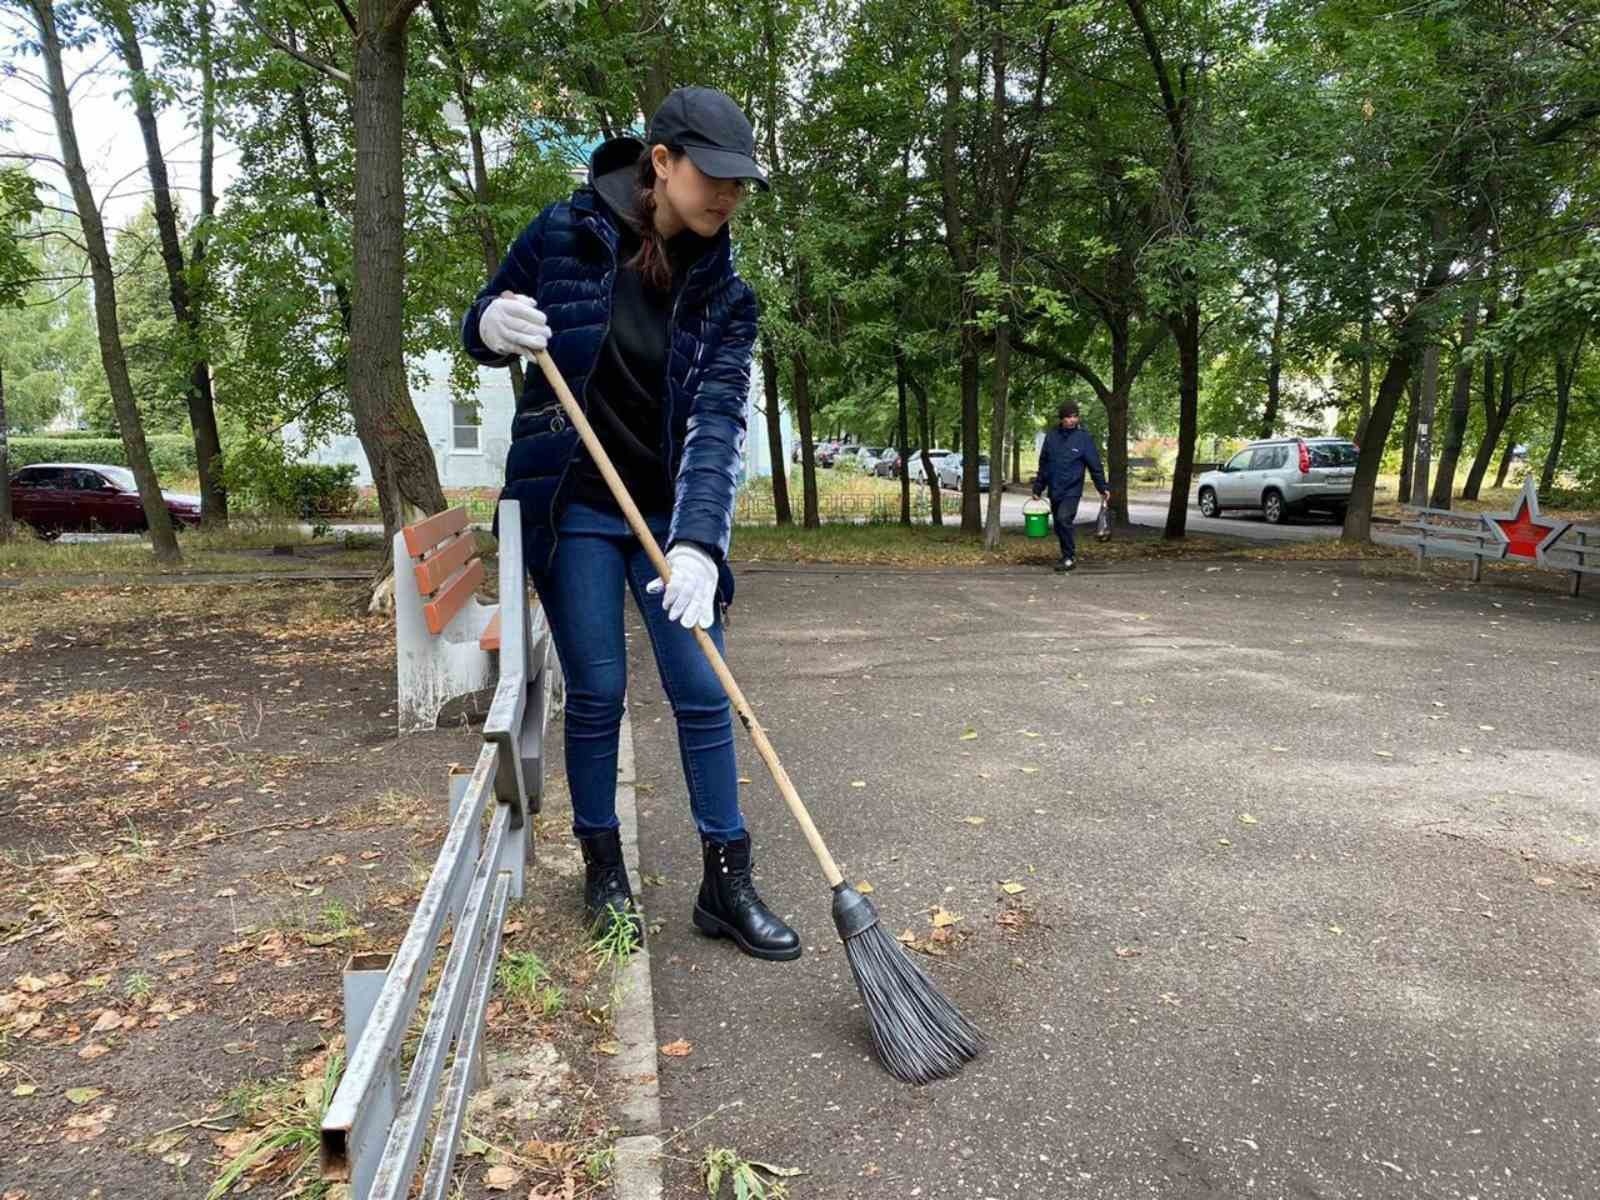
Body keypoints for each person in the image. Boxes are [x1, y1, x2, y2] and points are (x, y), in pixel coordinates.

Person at [459, 87, 800, 962]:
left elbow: (720, 424)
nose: (729, 195)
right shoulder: (565, 233)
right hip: (573, 508)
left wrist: (698, 544)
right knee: (599, 691)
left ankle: (726, 881)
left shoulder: (729, 297)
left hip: (666, 512)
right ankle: (603, 870)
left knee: (702, 687)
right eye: (713, 175)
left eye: (742, 183)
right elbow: (484, 318)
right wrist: (492, 325)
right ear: (662, 162)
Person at [1031, 402, 1110, 573]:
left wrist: (1102, 487)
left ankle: (1069, 557)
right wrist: (1038, 488)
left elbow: (1095, 465)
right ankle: (1065, 554)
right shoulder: (1051, 437)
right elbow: (1044, 464)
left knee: (1064, 519)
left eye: (1075, 416)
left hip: (1072, 489)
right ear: (1062, 418)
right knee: (1059, 525)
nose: (1072, 420)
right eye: (1068, 417)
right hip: (1055, 488)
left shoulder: (1083, 438)